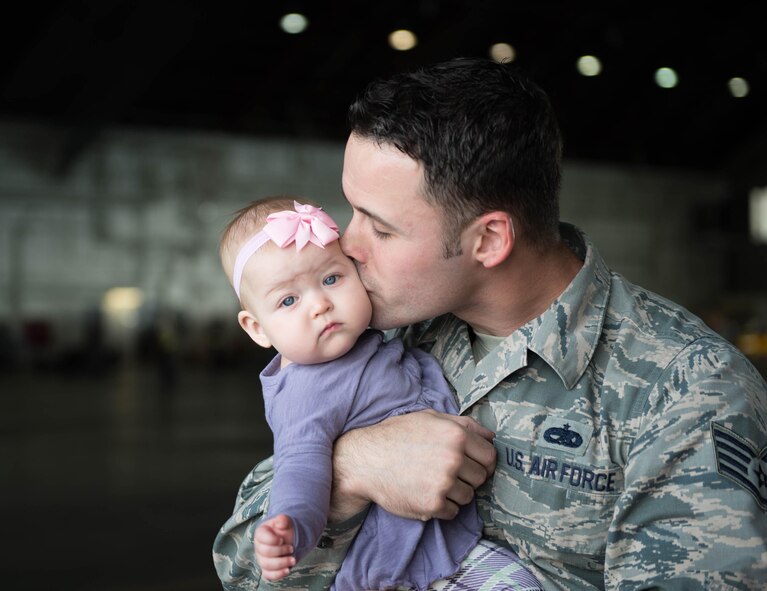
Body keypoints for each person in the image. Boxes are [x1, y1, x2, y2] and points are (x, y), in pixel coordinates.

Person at [213, 58, 767, 589]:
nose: (346, 246)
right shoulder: (380, 329)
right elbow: (244, 568)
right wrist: (352, 471)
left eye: (380, 229)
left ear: (489, 240)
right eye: (350, 211)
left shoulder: (687, 391)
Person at [216, 196, 542, 590]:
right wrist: (290, 529)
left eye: (332, 279)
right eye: (288, 300)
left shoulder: (378, 334)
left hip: (443, 544)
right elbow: (300, 468)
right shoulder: (303, 392)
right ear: (257, 329)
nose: (320, 304)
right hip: (397, 567)